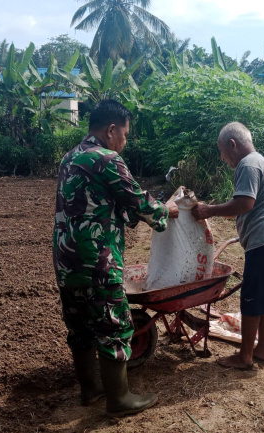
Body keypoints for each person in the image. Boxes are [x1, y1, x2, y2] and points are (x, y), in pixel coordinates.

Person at [53, 99, 178, 416]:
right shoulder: (107, 159)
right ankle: (119, 399)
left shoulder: (70, 157)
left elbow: (102, 203)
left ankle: (90, 389)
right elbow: (139, 202)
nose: (124, 142)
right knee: (114, 327)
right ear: (111, 130)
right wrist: (166, 210)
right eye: (124, 135)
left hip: (67, 261)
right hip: (98, 261)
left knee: (80, 328)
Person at [192, 122, 264, 370]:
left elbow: (244, 204)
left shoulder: (248, 164)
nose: (223, 158)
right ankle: (262, 349)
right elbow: (242, 207)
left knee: (252, 298)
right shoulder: (258, 161)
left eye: (222, 152)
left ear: (232, 144)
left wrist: (209, 210)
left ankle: (245, 356)